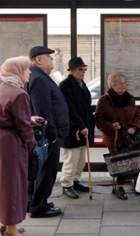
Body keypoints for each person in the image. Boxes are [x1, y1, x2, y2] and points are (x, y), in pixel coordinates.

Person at [0, 55, 45, 236]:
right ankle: (11, 229)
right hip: (10, 144)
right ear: (17, 72)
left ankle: (6, 223)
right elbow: (23, 128)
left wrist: (28, 118)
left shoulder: (1, 89)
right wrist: (31, 148)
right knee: (13, 185)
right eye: (26, 69)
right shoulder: (20, 93)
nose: (28, 72)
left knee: (1, 183)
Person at [25, 46, 70, 218]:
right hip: (47, 135)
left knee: (39, 170)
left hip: (45, 134)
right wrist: (51, 135)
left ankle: (32, 202)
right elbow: (42, 111)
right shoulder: (38, 78)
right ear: (39, 60)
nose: (52, 61)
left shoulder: (39, 76)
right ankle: (39, 207)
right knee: (46, 171)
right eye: (49, 58)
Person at [95, 72, 140, 200]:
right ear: (112, 85)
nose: (123, 85)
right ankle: (119, 186)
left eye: (124, 82)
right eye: (120, 83)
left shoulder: (129, 98)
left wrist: (133, 127)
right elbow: (98, 119)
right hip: (114, 135)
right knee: (120, 159)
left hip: (130, 134)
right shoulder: (104, 100)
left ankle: (135, 182)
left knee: (135, 157)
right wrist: (112, 126)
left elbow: (137, 115)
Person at [58, 57, 95, 199]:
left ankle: (75, 180)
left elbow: (85, 107)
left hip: (83, 130)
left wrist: (87, 126)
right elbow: (69, 110)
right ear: (72, 71)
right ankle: (66, 184)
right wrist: (80, 126)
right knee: (71, 160)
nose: (84, 71)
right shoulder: (65, 86)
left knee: (81, 161)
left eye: (85, 69)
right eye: (81, 69)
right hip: (72, 131)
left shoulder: (82, 85)